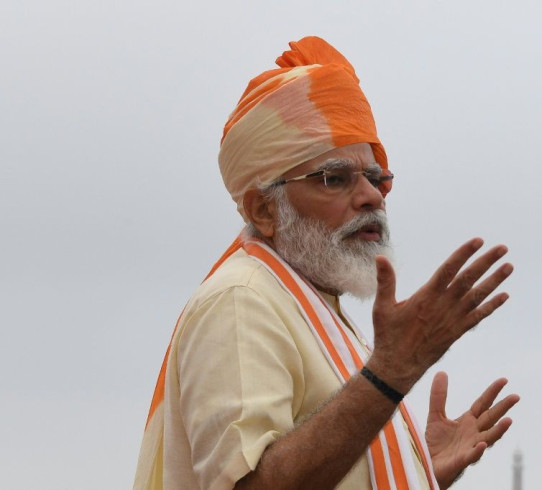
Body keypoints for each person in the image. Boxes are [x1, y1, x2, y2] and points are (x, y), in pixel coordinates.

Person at [134, 36, 519, 490]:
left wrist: (407, 468)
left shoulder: (319, 310)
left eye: (377, 178)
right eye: (335, 179)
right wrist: (389, 375)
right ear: (263, 210)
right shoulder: (242, 301)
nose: (372, 196)